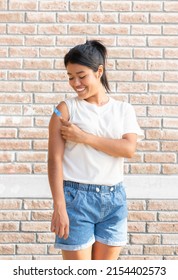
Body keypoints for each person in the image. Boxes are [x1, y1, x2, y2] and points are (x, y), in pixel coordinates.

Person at [48, 40, 144, 260]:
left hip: (114, 200)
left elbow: (128, 149)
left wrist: (84, 137)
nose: (75, 83)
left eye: (81, 76)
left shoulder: (123, 110)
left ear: (99, 71)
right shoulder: (65, 110)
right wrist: (60, 207)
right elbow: (54, 160)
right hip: (76, 199)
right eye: (70, 77)